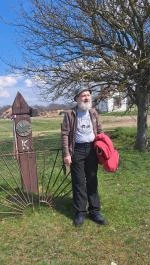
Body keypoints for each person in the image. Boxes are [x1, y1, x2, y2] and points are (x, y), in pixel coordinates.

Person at [61, 88, 107, 226]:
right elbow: (64, 134)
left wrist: (103, 146)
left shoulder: (93, 112)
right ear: (77, 98)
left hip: (92, 149)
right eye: (83, 95)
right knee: (79, 182)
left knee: (92, 180)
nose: (86, 98)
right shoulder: (70, 114)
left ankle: (95, 211)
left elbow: (99, 130)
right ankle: (80, 212)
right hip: (77, 150)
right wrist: (66, 154)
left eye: (88, 95)